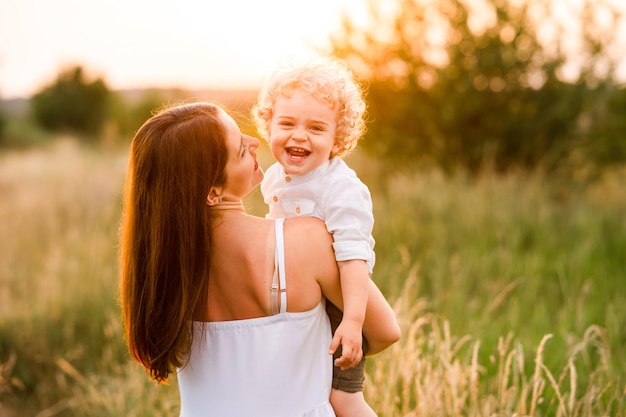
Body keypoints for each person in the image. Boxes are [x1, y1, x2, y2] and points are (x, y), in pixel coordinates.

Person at [119, 102, 400, 417]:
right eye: (240, 149)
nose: (254, 142)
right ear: (212, 192)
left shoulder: (160, 268)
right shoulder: (305, 241)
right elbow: (385, 331)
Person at [252, 56, 378, 416]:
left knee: (343, 400)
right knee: (304, 391)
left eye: (316, 129)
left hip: (342, 301)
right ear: (269, 125)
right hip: (300, 298)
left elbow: (354, 256)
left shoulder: (340, 188)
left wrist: (353, 321)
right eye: (287, 123)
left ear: (337, 138)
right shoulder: (275, 178)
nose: (298, 136)